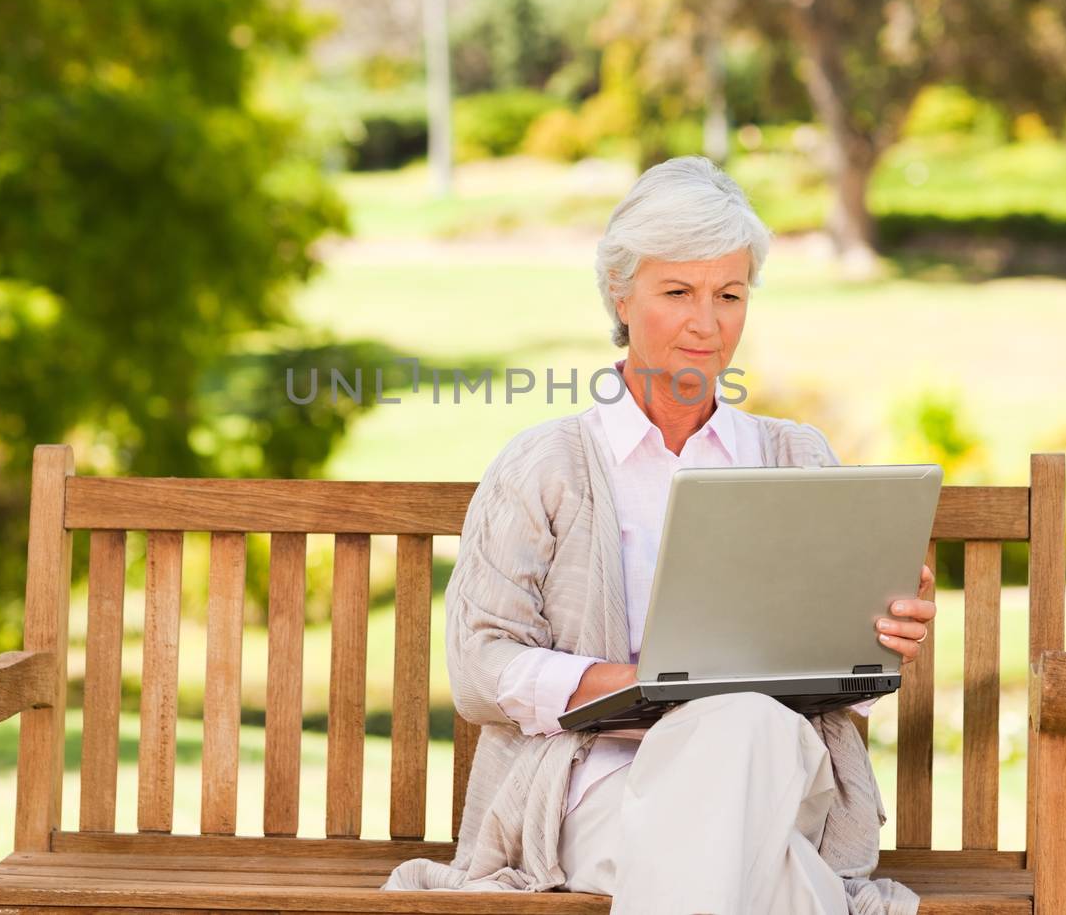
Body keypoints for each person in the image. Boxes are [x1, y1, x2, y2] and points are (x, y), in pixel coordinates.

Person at [383, 156, 933, 914]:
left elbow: (849, 682)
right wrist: (639, 684)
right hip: (605, 785)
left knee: (744, 724)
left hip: (777, 767)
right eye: (678, 292)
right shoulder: (548, 464)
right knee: (770, 875)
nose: (707, 324)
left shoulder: (794, 457)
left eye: (730, 295)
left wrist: (879, 629)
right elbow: (481, 663)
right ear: (621, 291)